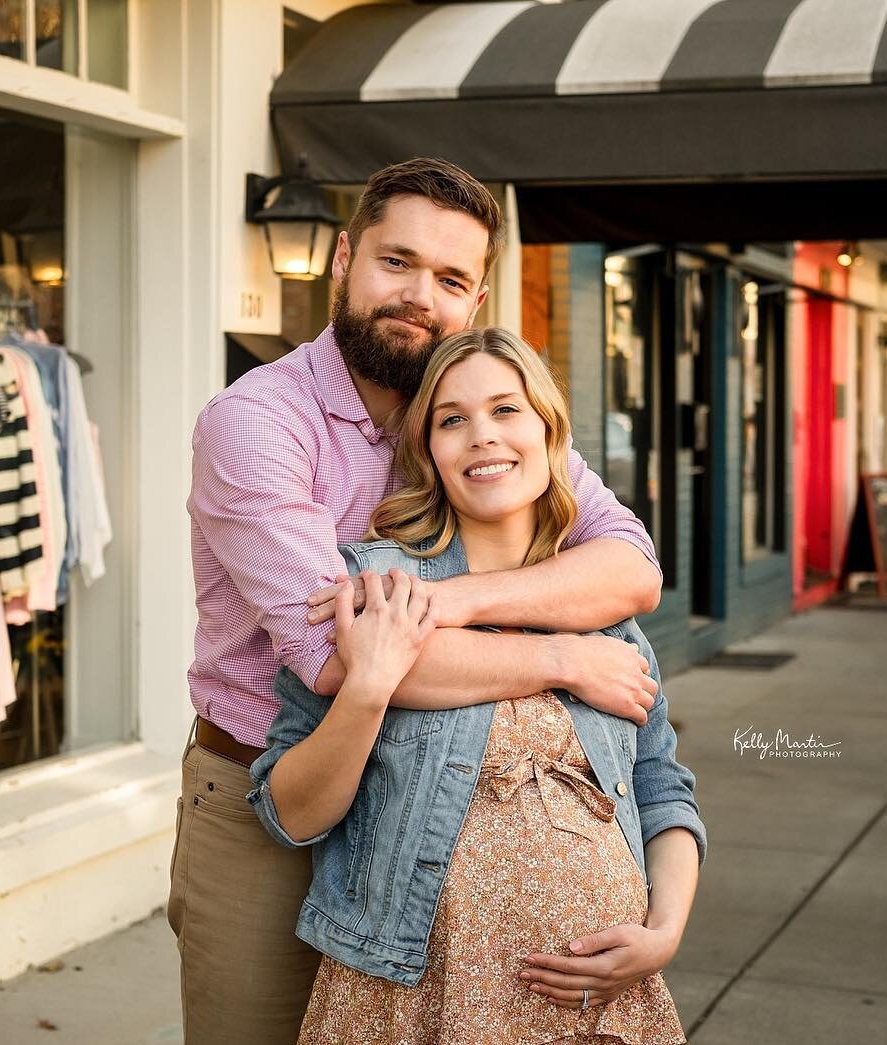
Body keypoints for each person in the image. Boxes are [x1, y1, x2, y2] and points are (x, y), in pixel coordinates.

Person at [172, 158, 665, 1044]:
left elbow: (630, 568)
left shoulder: (473, 414)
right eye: (396, 262)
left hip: (434, 803)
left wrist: (459, 601)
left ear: (474, 302)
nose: (418, 297)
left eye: (449, 280)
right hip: (272, 789)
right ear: (343, 258)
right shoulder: (256, 424)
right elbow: (337, 659)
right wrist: (565, 657)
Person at [250, 327, 705, 1045]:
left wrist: (665, 930)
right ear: (428, 450)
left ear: (550, 431)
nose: (482, 437)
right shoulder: (374, 586)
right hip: (417, 998)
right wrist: (370, 686)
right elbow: (289, 812)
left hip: (600, 1010)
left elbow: (662, 787)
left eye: (505, 409)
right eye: (452, 419)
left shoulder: (602, 605)